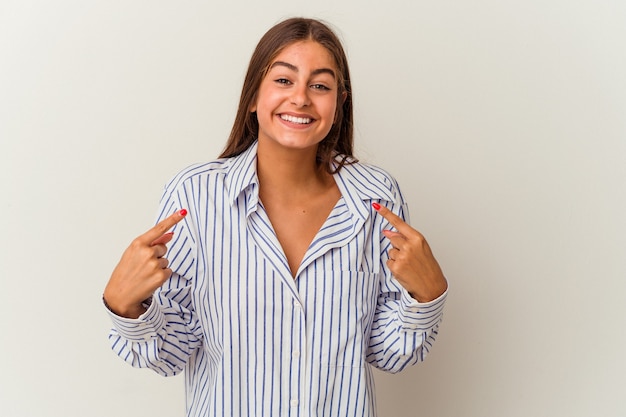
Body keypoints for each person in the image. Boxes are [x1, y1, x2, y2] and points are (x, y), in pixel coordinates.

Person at [103, 17, 448, 417]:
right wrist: (126, 307)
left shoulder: (376, 198)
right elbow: (172, 353)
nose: (301, 98)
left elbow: (387, 353)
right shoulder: (195, 196)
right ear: (253, 96)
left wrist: (428, 295)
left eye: (320, 85)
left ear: (339, 104)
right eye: (284, 81)